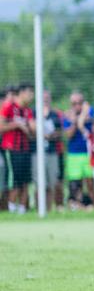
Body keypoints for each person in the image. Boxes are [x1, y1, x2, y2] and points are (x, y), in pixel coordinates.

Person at [0, 84, 35, 213]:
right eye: (29, 93)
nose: (31, 96)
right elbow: (1, 126)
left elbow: (33, 130)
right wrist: (17, 125)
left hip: (25, 149)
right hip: (11, 150)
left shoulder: (28, 111)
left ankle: (21, 209)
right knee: (13, 181)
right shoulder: (8, 107)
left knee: (25, 181)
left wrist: (32, 128)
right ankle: (11, 208)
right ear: (21, 93)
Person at [63, 91, 94, 208]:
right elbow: (69, 134)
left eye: (80, 103)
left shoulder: (90, 111)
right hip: (74, 155)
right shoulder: (67, 117)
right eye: (74, 103)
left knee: (90, 182)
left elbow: (89, 118)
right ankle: (78, 205)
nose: (77, 106)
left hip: (89, 154)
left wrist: (76, 118)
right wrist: (76, 121)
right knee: (75, 184)